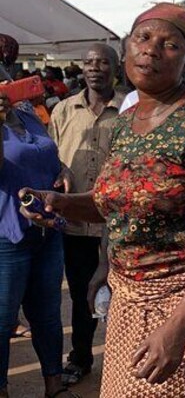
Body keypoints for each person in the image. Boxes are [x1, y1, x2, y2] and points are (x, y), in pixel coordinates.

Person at [21, 3, 185, 397]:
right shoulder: (126, 123)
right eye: (143, 38)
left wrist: (177, 329)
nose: (151, 50)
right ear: (126, 50)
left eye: (170, 45)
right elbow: (115, 203)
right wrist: (61, 202)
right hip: (130, 303)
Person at [48, 44, 125, 386]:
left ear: (116, 67)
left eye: (103, 62)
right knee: (81, 293)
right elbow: (51, 157)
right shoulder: (63, 110)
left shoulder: (130, 109)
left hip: (118, 219)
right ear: (82, 68)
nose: (95, 68)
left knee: (121, 290)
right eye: (90, 62)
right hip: (77, 222)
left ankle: (124, 358)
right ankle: (81, 356)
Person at [0, 61, 70, 398]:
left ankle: (53, 387)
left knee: (47, 316)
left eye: (4, 77)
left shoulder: (28, 113)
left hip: (47, 231)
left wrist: (63, 170)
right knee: (2, 320)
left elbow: (46, 153)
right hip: (7, 237)